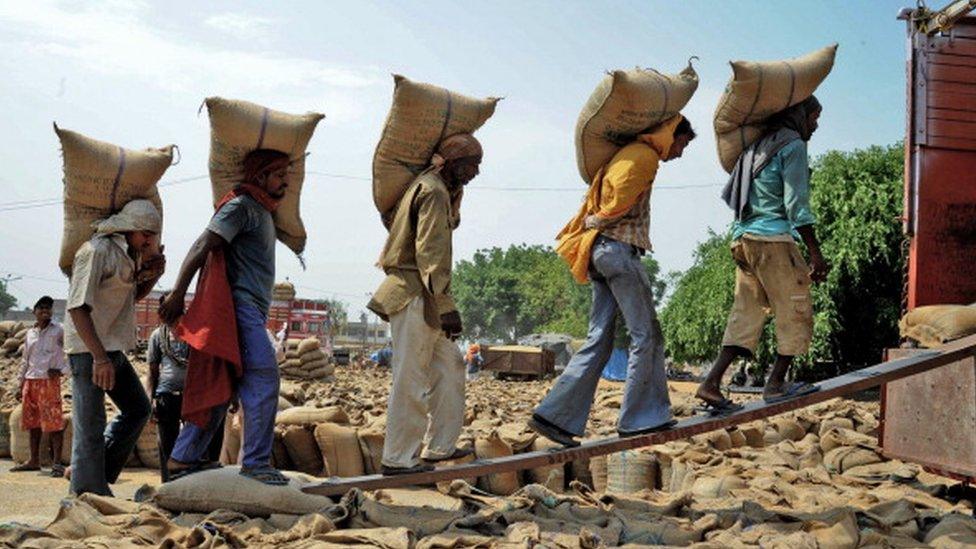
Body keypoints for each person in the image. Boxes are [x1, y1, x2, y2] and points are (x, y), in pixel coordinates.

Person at [529, 115, 696, 447]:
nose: (681, 152)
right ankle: (641, 418)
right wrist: (600, 219)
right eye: (683, 143)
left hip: (600, 253)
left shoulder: (625, 154)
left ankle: (554, 416)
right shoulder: (644, 156)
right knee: (646, 335)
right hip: (618, 250)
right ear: (670, 135)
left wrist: (596, 222)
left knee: (599, 338)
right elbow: (619, 201)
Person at [159, 148, 291, 485]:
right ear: (260, 176)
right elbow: (203, 244)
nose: (286, 181)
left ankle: (182, 458)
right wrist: (177, 292)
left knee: (224, 384)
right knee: (264, 377)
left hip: (250, 312)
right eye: (279, 174)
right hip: (238, 308)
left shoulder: (264, 213)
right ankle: (256, 463)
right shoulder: (241, 206)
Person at [696, 96, 828, 412]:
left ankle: (711, 383)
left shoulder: (756, 148)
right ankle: (776, 383)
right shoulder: (792, 145)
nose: (816, 125)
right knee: (796, 307)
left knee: (747, 311)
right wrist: (816, 255)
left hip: (743, 239)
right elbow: (797, 206)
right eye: (814, 118)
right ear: (800, 116)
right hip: (773, 240)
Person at [367, 133, 481, 475]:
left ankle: (440, 447)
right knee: (411, 378)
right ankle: (398, 458)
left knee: (450, 368)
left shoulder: (438, 190)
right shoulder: (431, 191)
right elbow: (428, 253)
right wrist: (446, 306)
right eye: (471, 165)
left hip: (424, 295)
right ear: (452, 163)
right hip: (415, 295)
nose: (476, 172)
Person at [64, 199, 165, 496]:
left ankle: (96, 474)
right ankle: (85, 490)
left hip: (112, 347)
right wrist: (99, 358)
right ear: (128, 228)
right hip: (89, 351)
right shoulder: (95, 252)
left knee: (138, 408)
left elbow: (130, 298)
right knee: (90, 422)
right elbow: (77, 308)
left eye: (152, 235)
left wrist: (154, 274)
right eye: (145, 233)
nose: (149, 240)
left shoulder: (128, 255)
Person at [144, 292, 223, 482]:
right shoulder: (158, 336)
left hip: (194, 396)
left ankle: (198, 484)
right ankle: (168, 487)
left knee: (201, 442)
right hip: (167, 395)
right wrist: (150, 399)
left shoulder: (195, 333)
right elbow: (152, 371)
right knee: (168, 447)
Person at [12, 296, 70, 477]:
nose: (45, 311)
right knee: (32, 422)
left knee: (54, 423)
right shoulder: (30, 333)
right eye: (41, 308)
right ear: (34, 311)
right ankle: (34, 461)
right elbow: (25, 360)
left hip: (48, 382)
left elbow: (72, 350)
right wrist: (19, 384)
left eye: (48, 308)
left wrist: (62, 370)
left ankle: (57, 464)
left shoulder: (59, 330)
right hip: (31, 381)